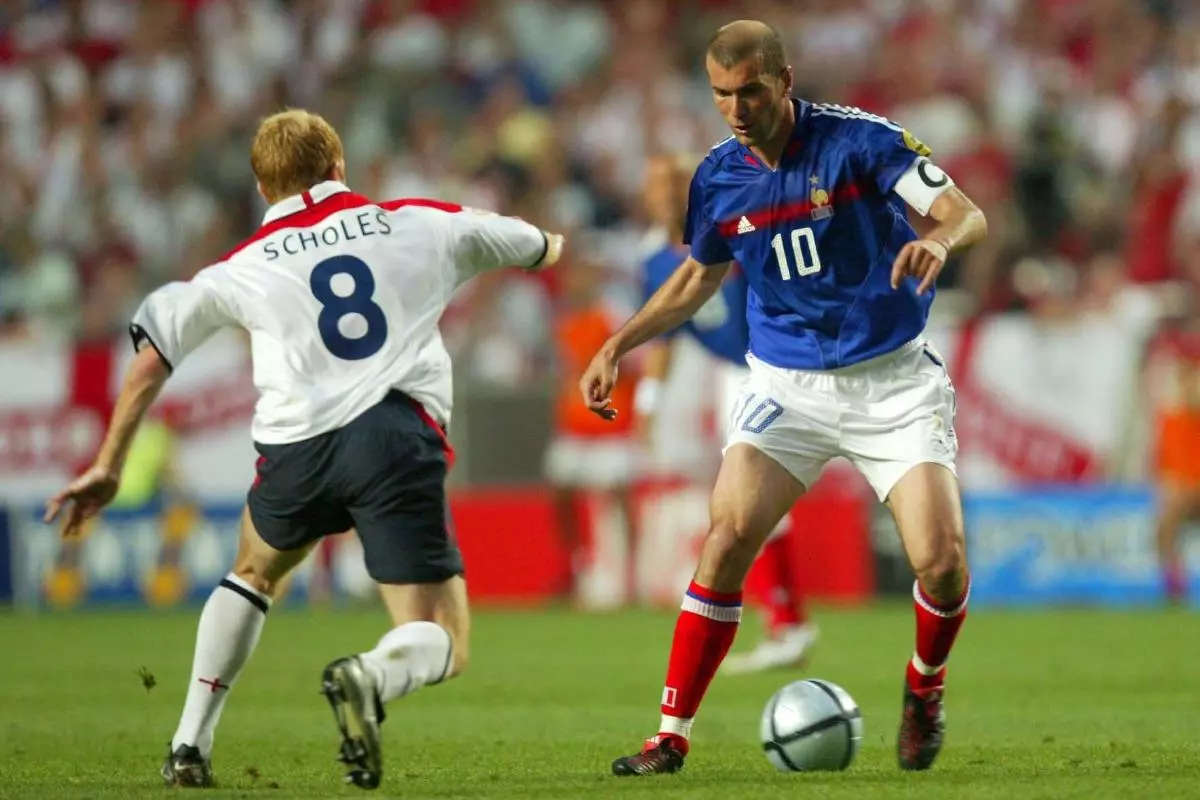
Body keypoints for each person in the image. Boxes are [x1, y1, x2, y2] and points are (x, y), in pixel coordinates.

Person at [43, 109, 565, 791]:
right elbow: (535, 245)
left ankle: (187, 746)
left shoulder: (241, 265)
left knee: (255, 568)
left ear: (264, 189)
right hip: (391, 437)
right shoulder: (415, 219)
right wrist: (551, 244)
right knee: (443, 637)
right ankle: (370, 676)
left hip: (295, 454)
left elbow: (149, 358)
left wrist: (109, 462)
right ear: (340, 165)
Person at [580, 20, 987, 776]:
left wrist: (938, 239)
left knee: (942, 563)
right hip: (787, 385)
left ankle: (924, 686)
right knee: (728, 534)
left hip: (890, 379)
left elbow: (966, 210)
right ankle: (669, 736)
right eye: (722, 95)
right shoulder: (717, 176)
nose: (736, 109)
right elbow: (699, 276)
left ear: (784, 79)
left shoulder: (860, 142)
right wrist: (621, 342)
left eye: (751, 91)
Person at [635, 153, 816, 672]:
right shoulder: (652, 261)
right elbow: (666, 336)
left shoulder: (728, 228)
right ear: (647, 198)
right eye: (658, 185)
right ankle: (786, 623)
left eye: (675, 182)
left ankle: (788, 624)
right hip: (733, 377)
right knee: (743, 505)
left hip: (775, 367)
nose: (668, 193)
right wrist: (647, 405)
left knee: (746, 504)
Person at [544, 259, 642, 604]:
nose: (573, 284)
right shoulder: (565, 320)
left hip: (612, 425)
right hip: (575, 427)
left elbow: (637, 361)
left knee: (620, 496)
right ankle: (573, 563)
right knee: (561, 492)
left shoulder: (611, 315)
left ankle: (630, 577)